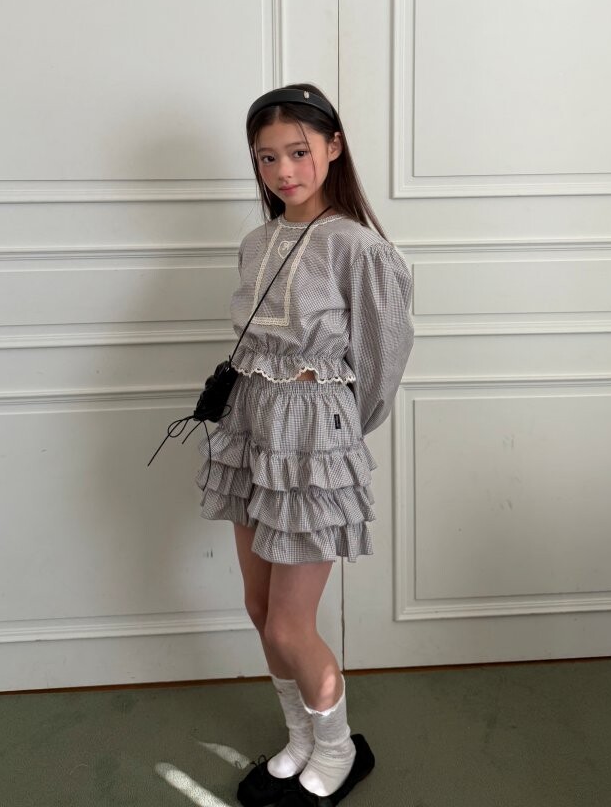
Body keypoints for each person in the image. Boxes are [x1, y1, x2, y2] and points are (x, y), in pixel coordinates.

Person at [195, 83, 415, 807]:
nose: (284, 170)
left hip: (313, 440)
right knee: (261, 609)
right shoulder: (256, 243)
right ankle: (300, 738)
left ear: (333, 147)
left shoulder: (358, 248)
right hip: (250, 427)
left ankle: (338, 747)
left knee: (293, 622)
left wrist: (331, 436)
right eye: (267, 157)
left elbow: (381, 362)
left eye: (298, 151)